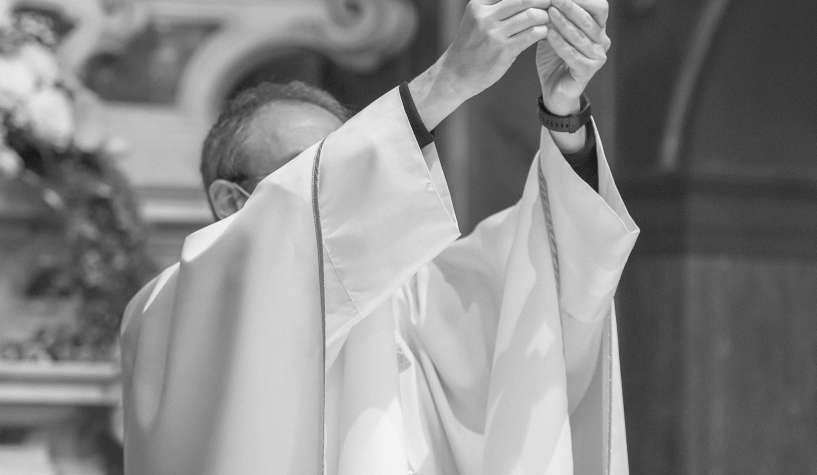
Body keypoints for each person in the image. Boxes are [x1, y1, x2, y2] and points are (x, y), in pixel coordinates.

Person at [120, 0, 638, 473]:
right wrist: (448, 80)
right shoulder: (173, 309)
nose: (350, 186)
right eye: (313, 173)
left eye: (351, 157)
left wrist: (564, 115)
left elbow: (539, 294)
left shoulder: (411, 304)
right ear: (233, 202)